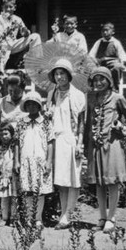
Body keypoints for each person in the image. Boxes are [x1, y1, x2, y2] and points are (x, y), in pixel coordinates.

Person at [84, 67, 126, 233]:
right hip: (95, 146)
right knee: (99, 183)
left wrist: (123, 128)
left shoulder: (117, 98)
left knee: (112, 182)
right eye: (95, 80)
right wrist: (86, 145)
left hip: (111, 144)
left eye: (102, 79)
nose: (98, 83)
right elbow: (87, 124)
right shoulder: (91, 97)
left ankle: (111, 218)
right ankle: (102, 216)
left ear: (109, 81)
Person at [46, 59, 86, 229]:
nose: (59, 77)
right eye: (56, 74)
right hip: (57, 139)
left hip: (72, 138)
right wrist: (48, 112)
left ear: (69, 75)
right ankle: (63, 213)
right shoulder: (52, 94)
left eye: (62, 73)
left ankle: (68, 214)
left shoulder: (77, 95)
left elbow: (82, 122)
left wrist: (79, 143)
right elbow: (51, 117)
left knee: (73, 178)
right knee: (61, 180)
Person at [14, 91, 54, 228]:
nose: (31, 107)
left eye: (34, 104)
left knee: (40, 190)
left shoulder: (46, 123)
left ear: (39, 106)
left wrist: (49, 161)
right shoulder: (21, 123)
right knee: (27, 190)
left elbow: (50, 142)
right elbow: (17, 143)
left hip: (40, 161)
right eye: (28, 104)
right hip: (25, 160)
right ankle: (29, 217)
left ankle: (38, 218)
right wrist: (16, 161)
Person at [0, 0, 42, 71]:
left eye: (10, 7)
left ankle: (36, 62)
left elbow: (25, 32)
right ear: (2, 8)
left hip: (13, 43)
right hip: (3, 44)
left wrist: (26, 32)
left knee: (35, 36)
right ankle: (1, 72)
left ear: (14, 8)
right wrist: (10, 26)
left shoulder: (17, 19)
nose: (8, 9)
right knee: (3, 49)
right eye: (6, 7)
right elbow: (1, 34)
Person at [88, 22, 126, 91]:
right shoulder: (99, 42)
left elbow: (122, 55)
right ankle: (93, 87)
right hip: (101, 62)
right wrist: (95, 62)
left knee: (116, 68)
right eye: (103, 31)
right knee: (91, 68)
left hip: (112, 62)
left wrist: (121, 64)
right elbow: (91, 54)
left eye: (107, 30)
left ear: (113, 32)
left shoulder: (115, 42)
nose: (105, 32)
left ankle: (115, 87)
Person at [0, 122, 18, 227]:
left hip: (13, 176)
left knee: (14, 197)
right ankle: (4, 218)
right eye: (1, 134)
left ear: (11, 134)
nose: (4, 136)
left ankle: (13, 218)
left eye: (6, 134)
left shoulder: (15, 147)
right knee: (4, 198)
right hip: (3, 176)